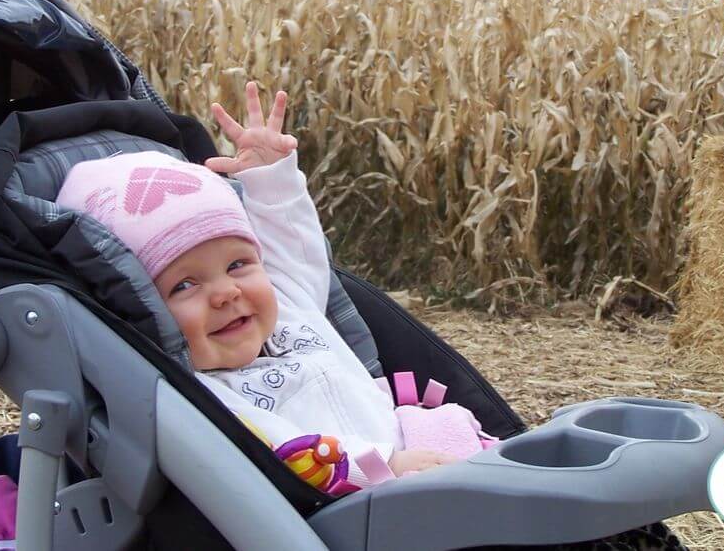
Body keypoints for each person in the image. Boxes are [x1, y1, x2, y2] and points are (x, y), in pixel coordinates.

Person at [56, 81, 477, 488]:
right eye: (184, 285)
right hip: (362, 502)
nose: (225, 292)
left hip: (418, 458)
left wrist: (270, 177)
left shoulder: (289, 301)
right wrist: (383, 464)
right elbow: (282, 451)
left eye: (238, 264)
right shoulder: (200, 394)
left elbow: (291, 242)